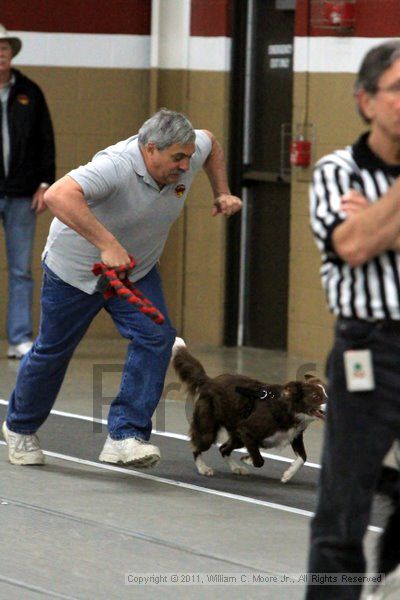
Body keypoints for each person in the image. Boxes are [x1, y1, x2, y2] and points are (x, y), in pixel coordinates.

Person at [1, 108, 242, 468]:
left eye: (188, 157)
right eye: (176, 158)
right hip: (75, 272)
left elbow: (212, 143)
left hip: (136, 270)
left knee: (157, 336)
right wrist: (106, 243)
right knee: (53, 351)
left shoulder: (190, 153)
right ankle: (19, 428)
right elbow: (57, 196)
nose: (184, 166)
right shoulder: (115, 165)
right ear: (149, 150)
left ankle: (125, 435)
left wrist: (221, 191)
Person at [307, 41, 400, 600]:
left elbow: (372, 231)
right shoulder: (335, 171)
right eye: (398, 90)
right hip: (371, 349)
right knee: (344, 506)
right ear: (366, 101)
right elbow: (356, 245)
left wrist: (380, 219)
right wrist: (374, 228)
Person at [0, 24, 55, 358]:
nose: (0, 54)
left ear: (11, 53)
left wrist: (45, 183)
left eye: (4, 48)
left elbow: (45, 139)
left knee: (21, 269)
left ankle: (19, 337)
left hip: (22, 193)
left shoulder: (29, 92)